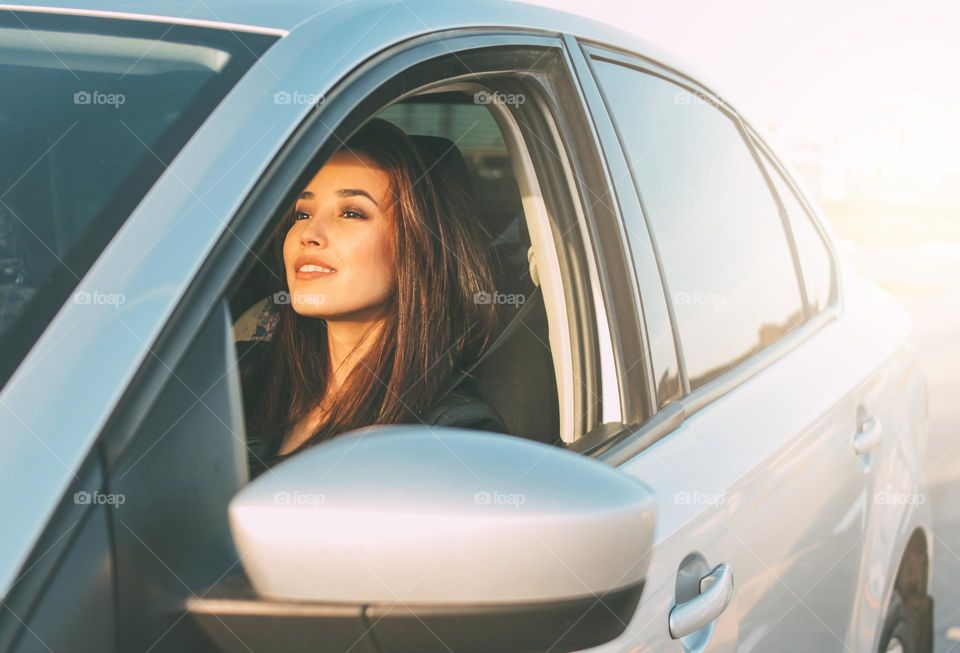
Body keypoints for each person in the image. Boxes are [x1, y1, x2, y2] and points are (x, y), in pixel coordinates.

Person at [237, 119, 507, 478]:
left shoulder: (450, 438)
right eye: (302, 213)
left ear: (416, 247)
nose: (309, 233)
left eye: (351, 213)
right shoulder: (235, 378)